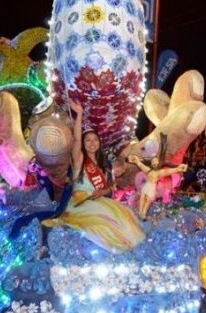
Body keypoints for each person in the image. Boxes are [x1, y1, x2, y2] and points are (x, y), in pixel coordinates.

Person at [43, 100, 145, 253]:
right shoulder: (79, 160)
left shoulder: (103, 165)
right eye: (88, 140)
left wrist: (102, 192)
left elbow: (105, 189)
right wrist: (80, 114)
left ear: (99, 143)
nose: (92, 143)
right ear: (83, 144)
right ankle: (115, 248)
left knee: (125, 214)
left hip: (98, 200)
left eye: (95, 139)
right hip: (79, 202)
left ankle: (129, 249)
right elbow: (76, 139)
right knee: (103, 222)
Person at [127, 155, 188, 220]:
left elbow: (171, 171)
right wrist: (135, 160)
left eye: (156, 161)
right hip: (146, 186)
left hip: (152, 187)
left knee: (148, 201)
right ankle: (140, 212)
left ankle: (143, 214)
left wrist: (179, 168)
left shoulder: (160, 172)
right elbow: (140, 164)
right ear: (151, 163)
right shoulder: (148, 170)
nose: (155, 163)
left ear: (158, 163)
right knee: (142, 198)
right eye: (153, 161)